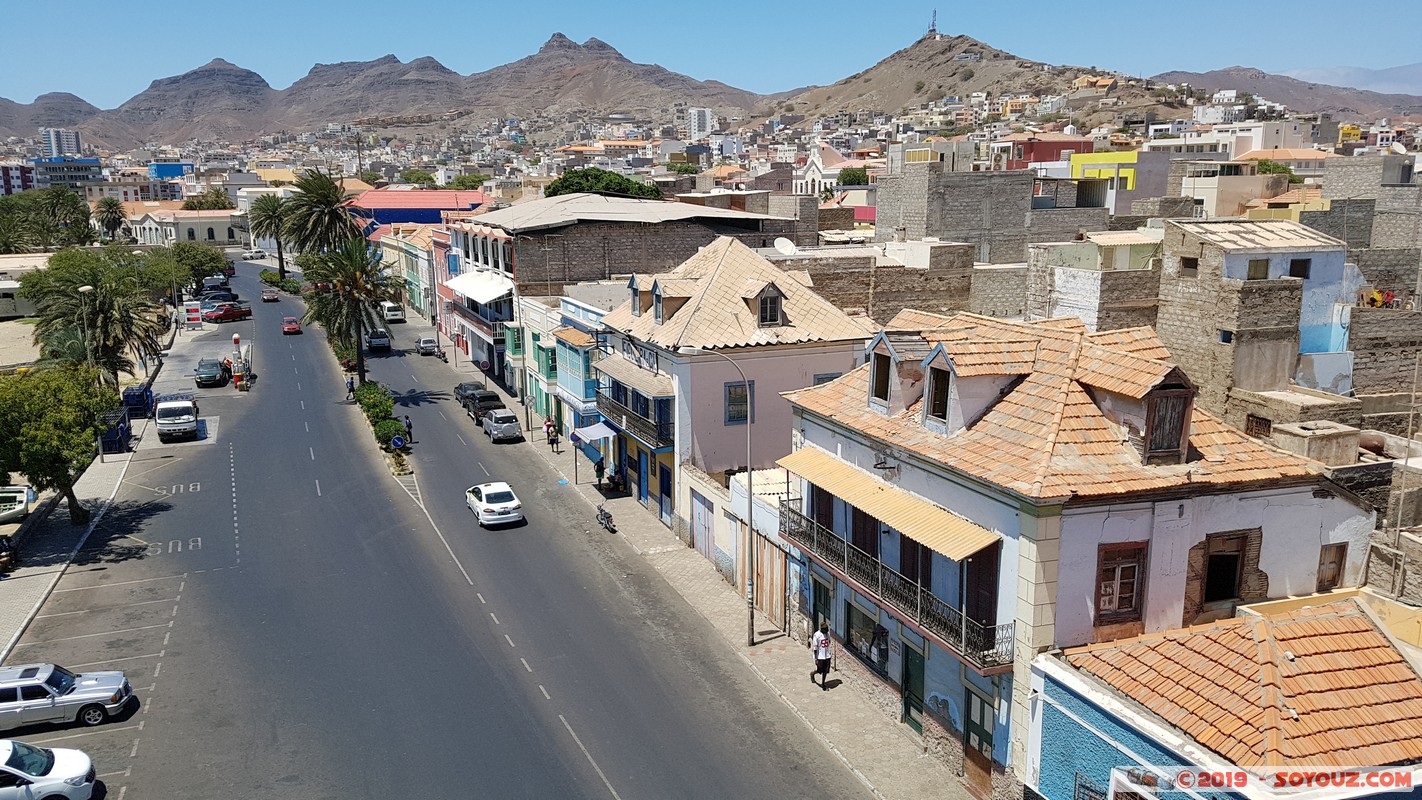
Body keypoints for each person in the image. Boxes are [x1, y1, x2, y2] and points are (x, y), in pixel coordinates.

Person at [811, 622, 832, 690]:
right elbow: (815, 647)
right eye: (825, 629)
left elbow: (829, 641)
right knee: (819, 670)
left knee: (825, 670)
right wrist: (816, 658)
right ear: (822, 629)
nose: (826, 631)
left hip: (827, 655)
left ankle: (823, 683)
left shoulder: (827, 634)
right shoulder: (816, 635)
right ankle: (812, 674)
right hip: (820, 656)